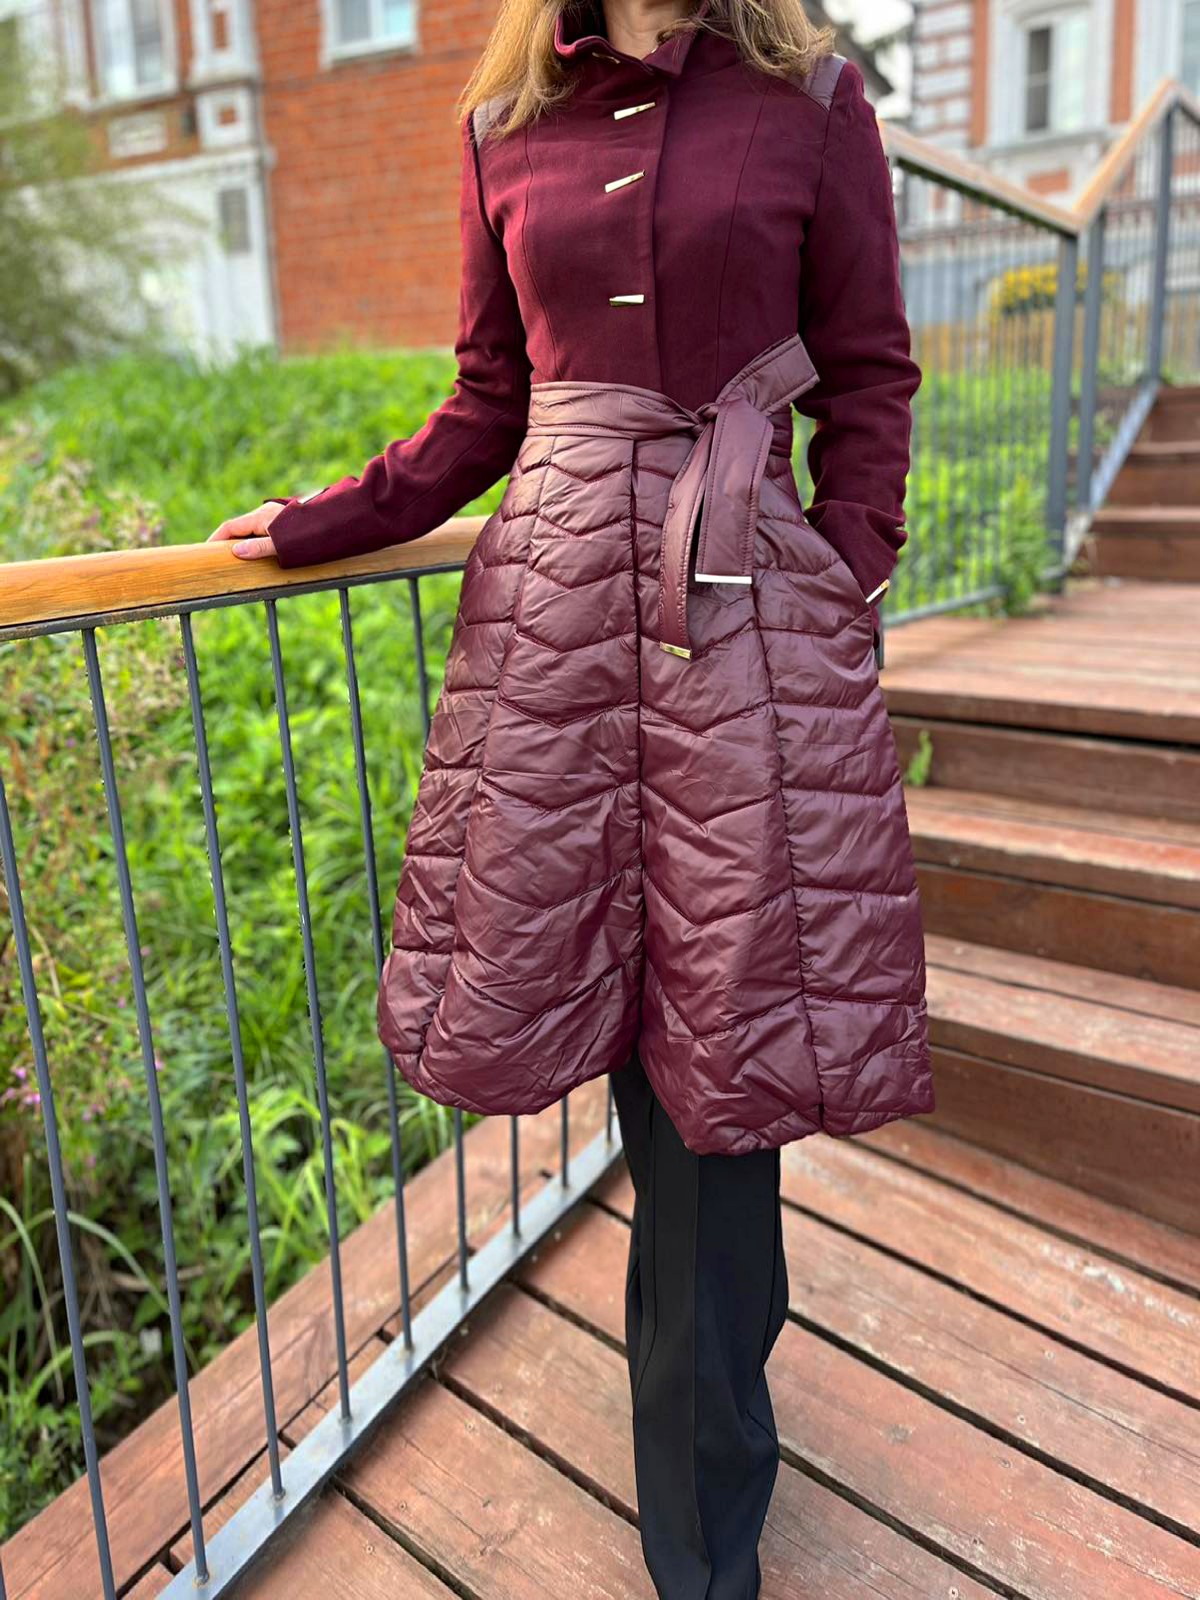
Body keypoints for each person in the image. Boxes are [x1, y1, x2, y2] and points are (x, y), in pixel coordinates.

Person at [209, 2, 935, 1592]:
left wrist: (840, 585)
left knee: (724, 1064)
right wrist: (330, 517)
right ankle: (707, 1412)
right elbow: (487, 403)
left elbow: (871, 378)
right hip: (549, 634)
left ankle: (704, 1540)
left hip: (741, 624)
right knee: (621, 1027)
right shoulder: (501, 124)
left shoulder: (812, 100)